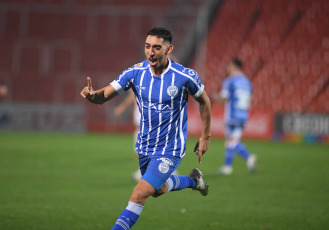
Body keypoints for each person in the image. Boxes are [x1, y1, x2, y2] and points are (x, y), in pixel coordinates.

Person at [80, 26, 211, 229]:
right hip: (145, 147)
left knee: (139, 194)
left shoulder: (184, 75)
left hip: (171, 148)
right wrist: (92, 96)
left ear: (169, 49)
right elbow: (104, 95)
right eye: (147, 46)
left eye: (157, 47)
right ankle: (193, 180)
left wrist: (205, 136)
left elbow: (204, 100)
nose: (151, 52)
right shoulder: (135, 73)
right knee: (158, 190)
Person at [214, 58, 256, 175]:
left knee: (230, 141)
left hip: (232, 114)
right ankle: (227, 167)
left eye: (229, 66)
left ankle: (248, 157)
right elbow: (250, 99)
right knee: (233, 140)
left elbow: (224, 97)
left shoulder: (230, 81)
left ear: (233, 66)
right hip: (243, 114)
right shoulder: (247, 82)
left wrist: (215, 97)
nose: (228, 68)